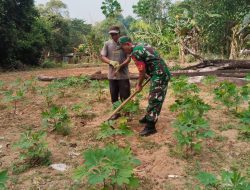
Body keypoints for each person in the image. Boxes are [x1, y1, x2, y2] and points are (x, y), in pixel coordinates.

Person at [118, 36, 171, 136]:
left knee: (155, 99)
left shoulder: (135, 53)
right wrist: (148, 74)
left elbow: (141, 70)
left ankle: (150, 126)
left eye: (122, 48)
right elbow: (150, 61)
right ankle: (148, 117)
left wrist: (139, 85)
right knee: (152, 96)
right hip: (159, 72)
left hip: (159, 75)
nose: (123, 50)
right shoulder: (141, 45)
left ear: (128, 44)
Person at [100, 26, 131, 120]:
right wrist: (110, 62)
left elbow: (129, 58)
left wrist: (121, 65)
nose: (113, 36)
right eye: (111, 34)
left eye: (115, 34)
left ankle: (126, 113)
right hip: (112, 75)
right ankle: (116, 113)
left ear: (119, 33)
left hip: (123, 75)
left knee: (125, 95)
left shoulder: (124, 43)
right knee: (114, 95)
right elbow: (102, 56)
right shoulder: (107, 44)